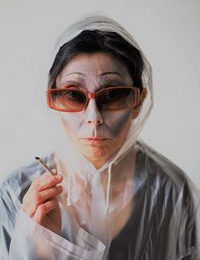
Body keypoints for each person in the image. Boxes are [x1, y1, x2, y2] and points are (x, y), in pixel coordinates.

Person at [0, 15, 199, 260]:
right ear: (53, 101)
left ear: (138, 101)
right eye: (73, 95)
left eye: (113, 94)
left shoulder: (172, 192)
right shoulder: (15, 195)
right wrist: (38, 249)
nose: (94, 117)